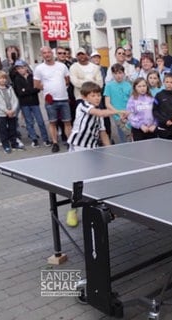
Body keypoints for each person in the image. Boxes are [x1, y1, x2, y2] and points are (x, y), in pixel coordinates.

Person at [66, 81, 121, 227]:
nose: (97, 98)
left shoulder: (99, 114)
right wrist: (118, 111)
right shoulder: (83, 106)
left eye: (98, 95)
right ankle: (73, 210)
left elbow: (102, 133)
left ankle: (100, 206)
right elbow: (100, 112)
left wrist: (111, 151)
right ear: (85, 97)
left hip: (92, 149)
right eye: (93, 95)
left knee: (97, 178)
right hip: (78, 147)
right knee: (78, 181)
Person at [34, 46, 72, 153]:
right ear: (42, 55)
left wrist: (60, 87)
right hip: (50, 100)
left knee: (67, 122)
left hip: (64, 98)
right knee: (52, 122)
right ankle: (55, 142)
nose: (47, 54)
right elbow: (36, 84)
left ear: (52, 53)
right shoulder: (39, 68)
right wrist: (47, 89)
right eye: (44, 53)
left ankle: (70, 141)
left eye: (49, 52)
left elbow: (67, 80)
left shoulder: (62, 66)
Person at [13, 60, 51, 147]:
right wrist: (30, 90)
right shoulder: (17, 79)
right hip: (24, 104)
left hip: (34, 102)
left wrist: (26, 90)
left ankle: (45, 139)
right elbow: (19, 92)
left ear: (26, 67)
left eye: (22, 67)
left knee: (40, 121)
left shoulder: (32, 76)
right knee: (29, 122)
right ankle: (34, 139)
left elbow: (37, 88)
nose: (20, 70)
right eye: (18, 68)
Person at [0, 70, 23, 153]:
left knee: (12, 129)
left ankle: (14, 143)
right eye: (0, 78)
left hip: (12, 112)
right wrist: (6, 110)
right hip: (2, 113)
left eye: (4, 78)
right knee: (3, 130)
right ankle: (5, 145)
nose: (2, 80)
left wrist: (13, 110)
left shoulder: (10, 88)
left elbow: (15, 100)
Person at [104, 63, 132, 143]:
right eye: (115, 73)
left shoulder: (128, 85)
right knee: (120, 139)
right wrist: (119, 113)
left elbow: (132, 101)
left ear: (124, 73)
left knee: (129, 138)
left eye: (120, 73)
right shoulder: (109, 86)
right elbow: (107, 104)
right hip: (115, 116)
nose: (118, 75)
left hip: (128, 115)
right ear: (112, 74)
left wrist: (128, 113)